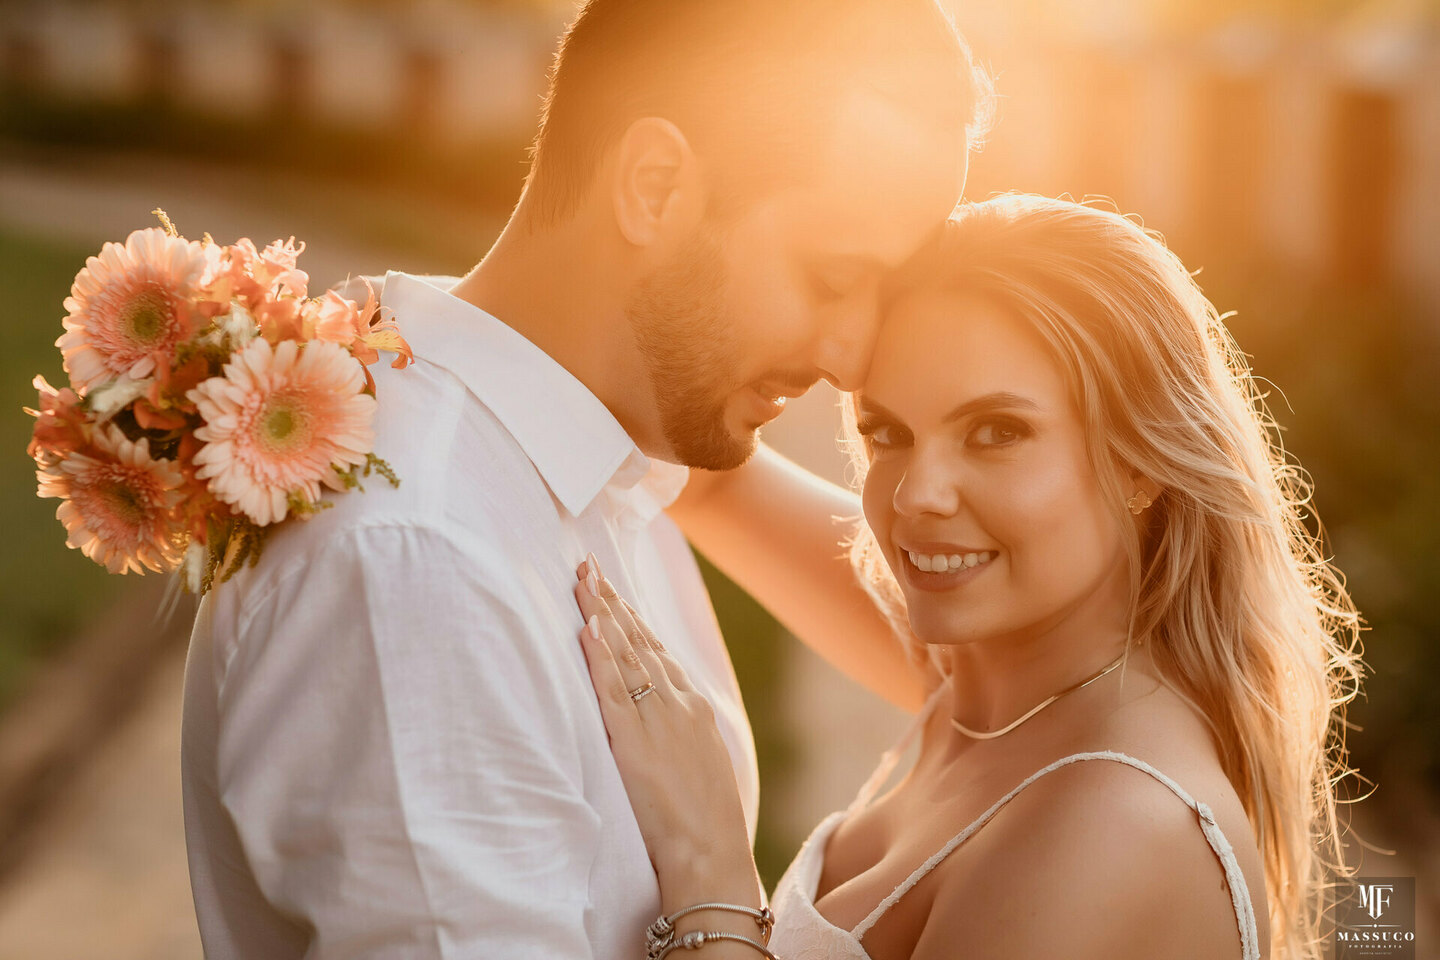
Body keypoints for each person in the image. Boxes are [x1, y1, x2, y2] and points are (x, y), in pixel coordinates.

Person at [179, 1, 987, 957]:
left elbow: (994, 659)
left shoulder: (598, 447)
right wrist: (717, 898)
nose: (854, 359)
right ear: (653, 186)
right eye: (829, 276)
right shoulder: (417, 561)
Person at [573, 195, 1363, 960]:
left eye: (996, 432)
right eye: (889, 433)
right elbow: (704, 470)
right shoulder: (987, 679)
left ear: (1139, 464)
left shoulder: (1114, 825)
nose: (918, 493)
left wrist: (708, 863)